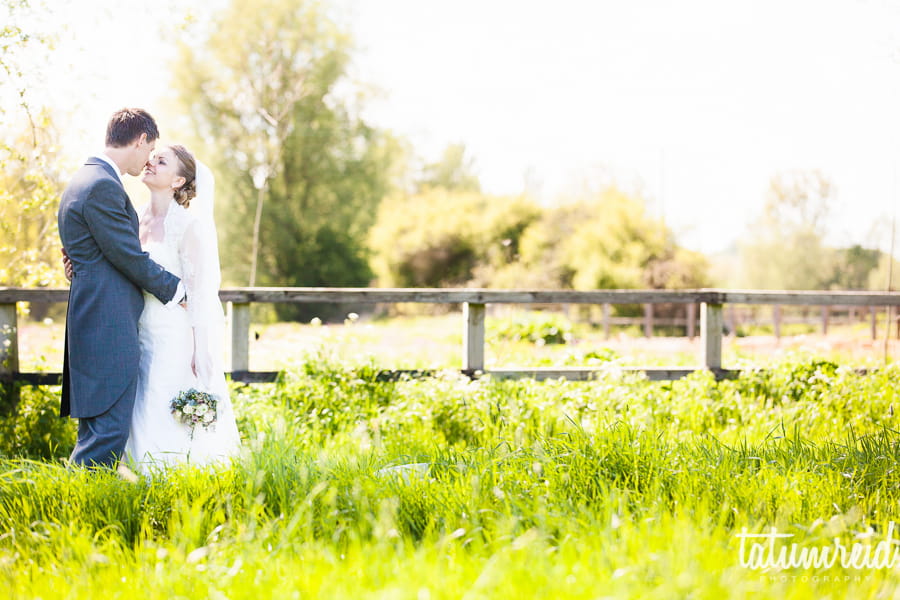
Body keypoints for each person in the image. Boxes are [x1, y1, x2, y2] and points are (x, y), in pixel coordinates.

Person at [58, 108, 186, 469]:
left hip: (97, 318)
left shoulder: (83, 180)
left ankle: (80, 506)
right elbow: (128, 256)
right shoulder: (101, 185)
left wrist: (79, 268)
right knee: (107, 436)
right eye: (151, 149)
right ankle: (80, 513)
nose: (149, 159)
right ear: (141, 139)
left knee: (101, 433)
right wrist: (180, 292)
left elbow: (93, 252)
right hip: (105, 326)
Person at [123, 144, 240, 472]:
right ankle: (138, 471)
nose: (151, 163)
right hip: (140, 329)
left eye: (161, 161)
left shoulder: (188, 226)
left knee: (166, 396)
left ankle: (180, 472)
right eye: (152, 157)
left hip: (175, 334)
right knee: (142, 401)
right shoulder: (135, 217)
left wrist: (201, 350)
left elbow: (200, 294)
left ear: (177, 182)